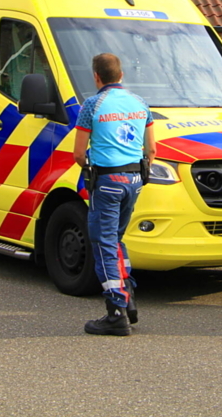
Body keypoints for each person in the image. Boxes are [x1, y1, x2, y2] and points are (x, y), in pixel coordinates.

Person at [74, 52, 155, 336]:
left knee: (103, 243)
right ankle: (128, 292)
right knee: (116, 240)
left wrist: (92, 170)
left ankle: (116, 311)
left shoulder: (92, 105)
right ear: (122, 75)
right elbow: (152, 150)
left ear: (96, 77)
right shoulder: (140, 103)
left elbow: (78, 153)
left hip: (107, 181)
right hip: (134, 179)